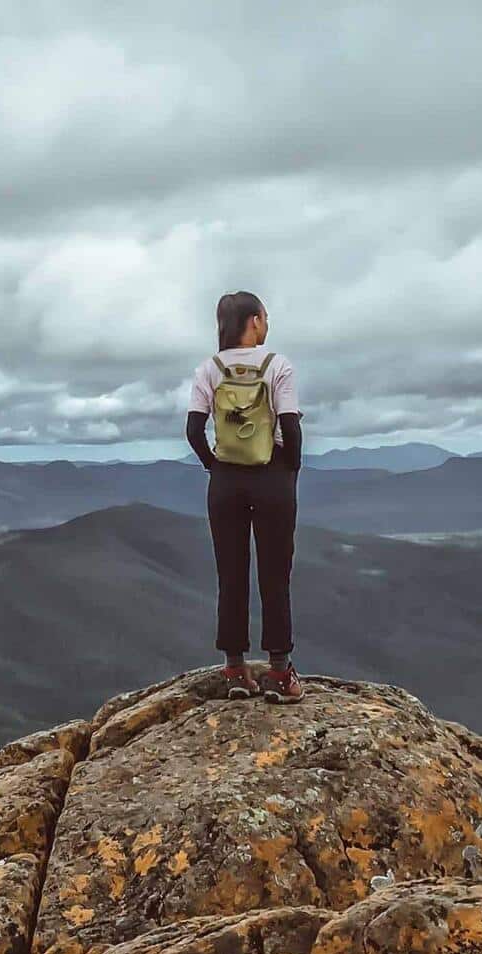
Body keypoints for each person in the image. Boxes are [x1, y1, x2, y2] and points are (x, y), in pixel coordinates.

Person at [186, 291, 305, 704]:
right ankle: (279, 674)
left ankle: (235, 670)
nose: (267, 324)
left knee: (230, 573)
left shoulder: (210, 370)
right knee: (276, 574)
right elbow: (290, 427)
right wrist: (289, 469)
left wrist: (214, 465)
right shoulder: (278, 366)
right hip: (271, 476)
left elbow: (192, 430)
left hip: (225, 479)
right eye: (265, 317)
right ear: (253, 321)